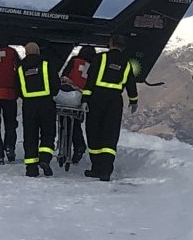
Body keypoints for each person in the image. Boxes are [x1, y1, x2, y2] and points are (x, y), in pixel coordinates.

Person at [81, 34, 138, 182]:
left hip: (97, 99)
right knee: (110, 134)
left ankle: (96, 168)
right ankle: (106, 171)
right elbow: (131, 83)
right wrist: (133, 100)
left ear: (110, 44)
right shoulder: (126, 63)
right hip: (115, 101)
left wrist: (85, 98)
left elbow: (91, 79)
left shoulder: (100, 58)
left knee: (94, 131)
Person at [16, 42, 61, 177]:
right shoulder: (46, 65)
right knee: (48, 133)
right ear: (38, 52)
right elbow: (55, 84)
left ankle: (31, 168)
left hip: (29, 106)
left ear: (25, 53)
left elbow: (17, 89)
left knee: (30, 136)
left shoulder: (20, 68)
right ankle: (45, 159)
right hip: (46, 104)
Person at [59, 45, 97, 164]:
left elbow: (65, 75)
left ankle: (64, 148)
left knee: (63, 122)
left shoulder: (75, 61)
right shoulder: (93, 66)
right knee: (75, 122)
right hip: (82, 98)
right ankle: (78, 145)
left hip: (69, 95)